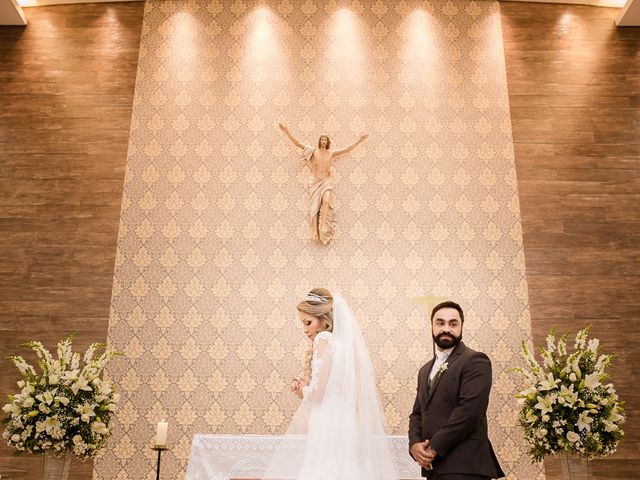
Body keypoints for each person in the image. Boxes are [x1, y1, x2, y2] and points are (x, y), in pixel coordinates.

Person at [262, 288, 398, 480]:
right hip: (347, 423)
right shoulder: (344, 347)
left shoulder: (323, 339)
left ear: (323, 319)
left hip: (328, 425)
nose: (305, 328)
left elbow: (318, 394)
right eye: (302, 323)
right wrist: (307, 380)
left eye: (308, 322)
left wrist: (302, 389)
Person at [408, 301, 505, 480]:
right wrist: (414, 445)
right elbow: (417, 413)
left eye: (453, 324)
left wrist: (433, 448)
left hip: (466, 466)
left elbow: (469, 412)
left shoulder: (475, 360)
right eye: (440, 323)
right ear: (432, 326)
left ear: (461, 327)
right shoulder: (424, 370)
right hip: (433, 469)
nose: (446, 328)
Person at [278, 124, 368, 245]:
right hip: (315, 181)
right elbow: (298, 143)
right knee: (314, 207)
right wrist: (286, 131)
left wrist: (360, 140)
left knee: (326, 200)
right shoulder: (313, 151)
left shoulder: (331, 153)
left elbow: (347, 149)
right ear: (319, 141)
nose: (324, 141)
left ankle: (323, 225)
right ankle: (314, 231)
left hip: (326, 181)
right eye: (322, 139)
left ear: (327, 142)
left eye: (325, 139)